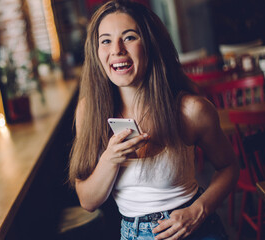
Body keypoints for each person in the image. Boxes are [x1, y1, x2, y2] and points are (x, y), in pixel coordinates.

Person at [68, 0, 239, 239]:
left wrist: (198, 210)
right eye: (105, 40)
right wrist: (109, 159)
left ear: (150, 44)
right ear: (96, 52)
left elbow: (229, 167)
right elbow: (87, 201)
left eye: (129, 37)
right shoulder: (89, 111)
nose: (117, 49)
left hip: (196, 231)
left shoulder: (191, 110)